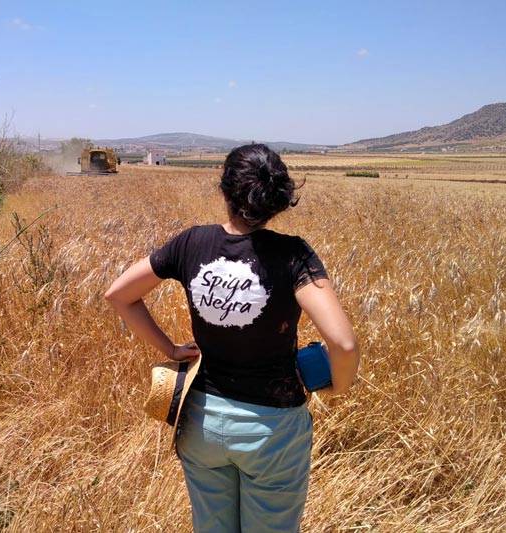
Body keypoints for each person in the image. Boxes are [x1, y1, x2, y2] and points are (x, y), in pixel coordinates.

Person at [105, 143, 359, 533]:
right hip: (272, 432)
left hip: (201, 420)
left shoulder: (191, 243)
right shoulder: (293, 255)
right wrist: (337, 388)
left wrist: (170, 349)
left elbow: (119, 295)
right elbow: (343, 343)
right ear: (276, 199)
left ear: (225, 192)